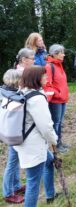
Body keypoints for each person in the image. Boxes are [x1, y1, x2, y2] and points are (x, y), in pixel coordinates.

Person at [14, 66, 58, 206]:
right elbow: (46, 127)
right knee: (33, 183)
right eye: (44, 76)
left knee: (49, 161)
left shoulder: (21, 92)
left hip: (22, 141)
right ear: (36, 79)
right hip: (33, 146)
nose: (46, 78)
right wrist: (54, 141)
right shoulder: (37, 99)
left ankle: (50, 194)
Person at [1, 69, 25, 204]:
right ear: (16, 81)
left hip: (7, 131)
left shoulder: (5, 91)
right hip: (13, 133)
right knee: (11, 163)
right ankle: (8, 193)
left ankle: (16, 186)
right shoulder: (15, 97)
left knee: (14, 161)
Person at [43, 44, 70, 153]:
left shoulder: (59, 65)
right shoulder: (49, 66)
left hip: (62, 99)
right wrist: (58, 94)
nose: (64, 54)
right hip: (55, 101)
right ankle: (55, 145)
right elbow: (47, 85)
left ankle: (59, 142)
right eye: (61, 53)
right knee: (56, 123)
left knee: (60, 122)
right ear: (55, 54)